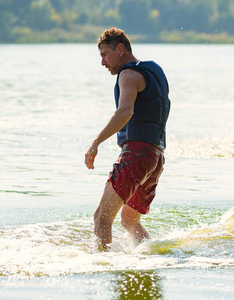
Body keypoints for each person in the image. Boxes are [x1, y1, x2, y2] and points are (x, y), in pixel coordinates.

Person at [84, 28, 170, 250]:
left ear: (120, 49)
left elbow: (124, 112)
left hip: (137, 155)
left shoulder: (128, 74)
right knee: (129, 220)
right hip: (156, 158)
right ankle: (152, 255)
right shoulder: (154, 71)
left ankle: (102, 266)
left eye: (105, 54)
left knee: (101, 216)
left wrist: (95, 143)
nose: (103, 62)